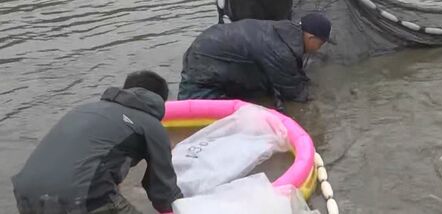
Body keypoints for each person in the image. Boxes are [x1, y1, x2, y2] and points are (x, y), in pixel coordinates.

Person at [12, 71, 182, 214]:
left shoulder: (84, 110)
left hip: (25, 194)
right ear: (159, 100)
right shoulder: (150, 124)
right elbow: (163, 190)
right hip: (81, 196)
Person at [177, 12, 333, 112]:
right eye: (321, 43)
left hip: (207, 45)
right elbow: (295, 93)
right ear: (310, 38)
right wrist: (326, 99)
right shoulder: (282, 52)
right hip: (204, 61)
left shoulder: (283, 30)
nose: (319, 49)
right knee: (197, 112)